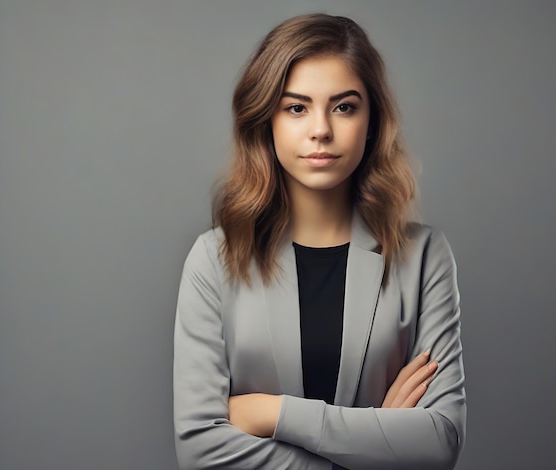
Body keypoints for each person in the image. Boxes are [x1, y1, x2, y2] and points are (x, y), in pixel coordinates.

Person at [173, 13, 466, 470]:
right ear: (265, 120)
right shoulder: (214, 260)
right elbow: (199, 452)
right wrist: (375, 442)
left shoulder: (424, 257)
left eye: (344, 107)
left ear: (372, 121)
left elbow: (440, 442)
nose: (321, 130)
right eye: (296, 107)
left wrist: (273, 413)